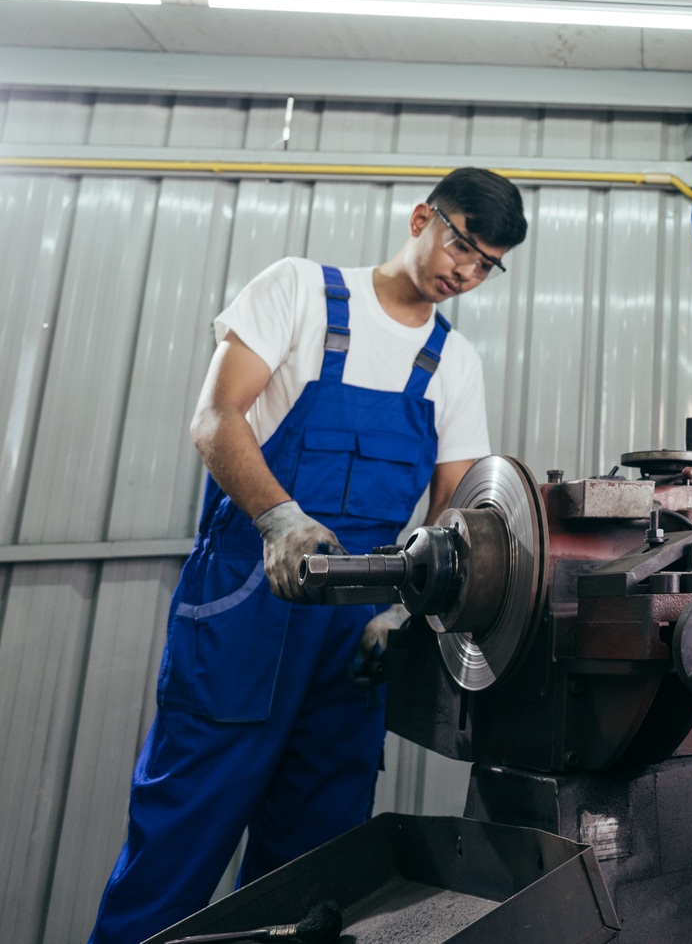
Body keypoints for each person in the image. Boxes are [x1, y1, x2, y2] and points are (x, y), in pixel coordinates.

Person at [90, 167, 528, 943]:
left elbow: (455, 515)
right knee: (173, 857)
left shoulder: (453, 365)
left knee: (311, 882)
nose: (467, 270)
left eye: (487, 263)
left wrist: (401, 612)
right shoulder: (297, 290)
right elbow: (215, 417)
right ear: (424, 216)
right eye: (463, 243)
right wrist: (280, 518)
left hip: (349, 654)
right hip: (242, 620)